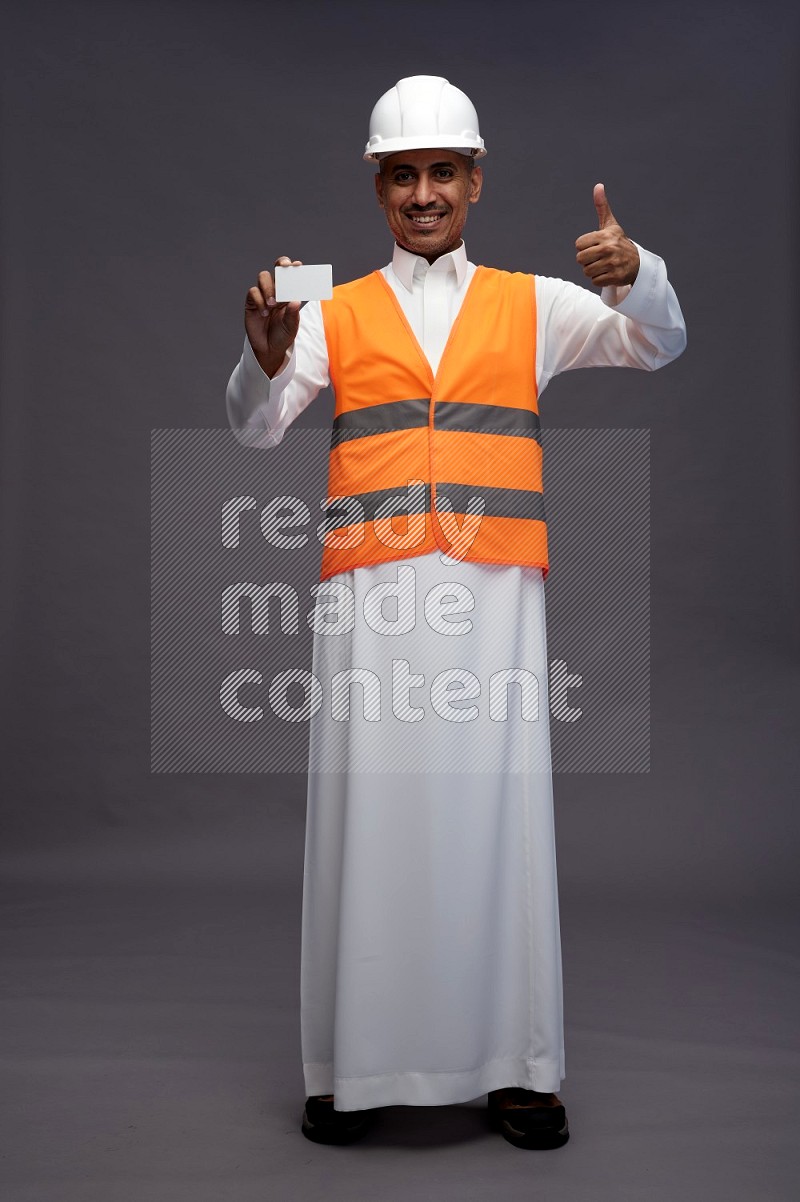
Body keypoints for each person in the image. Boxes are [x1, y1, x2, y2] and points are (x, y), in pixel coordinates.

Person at [225, 75, 686, 1150]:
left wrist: (641, 275)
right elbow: (253, 430)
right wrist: (256, 366)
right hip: (369, 596)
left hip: (490, 597)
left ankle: (517, 1068)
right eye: (401, 175)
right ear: (377, 188)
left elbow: (654, 343)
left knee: (496, 821)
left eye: (441, 172)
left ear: (474, 181)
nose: (422, 193)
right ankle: (351, 1063)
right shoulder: (324, 311)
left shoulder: (532, 304)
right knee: (365, 813)